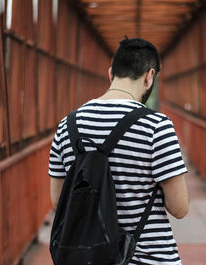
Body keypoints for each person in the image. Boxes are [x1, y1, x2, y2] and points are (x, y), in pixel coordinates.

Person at [48, 37, 189, 264]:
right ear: (149, 75)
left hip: (87, 258)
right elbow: (179, 207)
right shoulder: (157, 126)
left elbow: (58, 201)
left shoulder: (67, 125)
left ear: (111, 73)